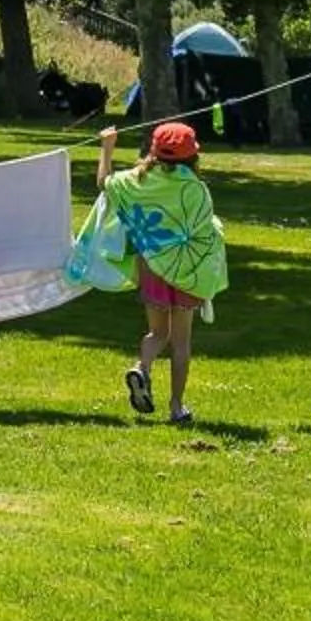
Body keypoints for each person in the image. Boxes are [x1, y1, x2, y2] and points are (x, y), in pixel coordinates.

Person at [95, 120, 228, 426]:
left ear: (153, 151)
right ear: (192, 156)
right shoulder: (195, 189)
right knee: (180, 342)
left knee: (158, 333)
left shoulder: (136, 180)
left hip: (151, 268)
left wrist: (108, 147)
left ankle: (142, 368)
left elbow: (104, 183)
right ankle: (176, 407)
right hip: (187, 271)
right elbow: (204, 229)